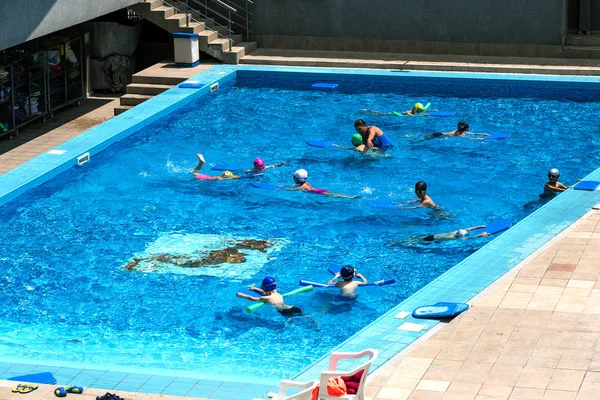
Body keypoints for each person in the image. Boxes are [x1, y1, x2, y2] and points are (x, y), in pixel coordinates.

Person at [236, 277, 303, 317]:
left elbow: (251, 298)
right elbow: (265, 292)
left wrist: (241, 295)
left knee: (289, 321)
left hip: (284, 311)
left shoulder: (266, 298)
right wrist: (255, 289)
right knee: (305, 316)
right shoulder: (277, 293)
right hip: (292, 307)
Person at [292, 169, 359, 199]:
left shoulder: (303, 186)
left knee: (335, 195)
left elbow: (291, 189)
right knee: (335, 194)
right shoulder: (305, 183)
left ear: (297, 178)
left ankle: (350, 197)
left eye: (294, 177)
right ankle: (350, 196)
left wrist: (282, 188)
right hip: (320, 190)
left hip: (320, 192)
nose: (293, 178)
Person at [423, 121, 488, 141]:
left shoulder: (462, 131)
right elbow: (467, 138)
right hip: (440, 135)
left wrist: (483, 134)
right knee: (425, 139)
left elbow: (472, 133)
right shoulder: (459, 133)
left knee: (426, 136)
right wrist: (476, 139)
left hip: (442, 133)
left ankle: (415, 136)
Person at [422, 226, 490, 242]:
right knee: (419, 241)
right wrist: (481, 235)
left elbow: (468, 229)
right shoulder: (452, 237)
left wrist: (479, 227)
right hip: (431, 239)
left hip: (434, 237)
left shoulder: (456, 232)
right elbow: (471, 238)